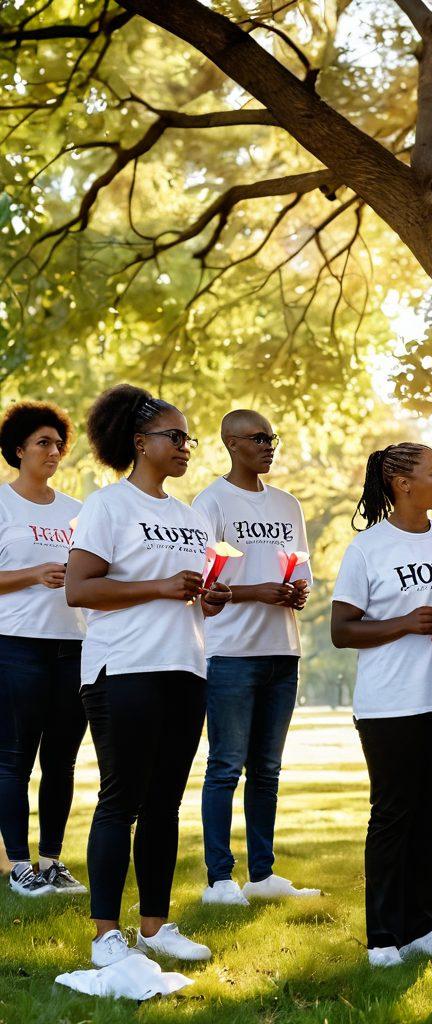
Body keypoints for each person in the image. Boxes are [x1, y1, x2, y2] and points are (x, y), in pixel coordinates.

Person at [65, 384, 231, 968]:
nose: (186, 446)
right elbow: (79, 589)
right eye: (175, 436)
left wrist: (207, 598)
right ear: (141, 442)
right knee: (121, 800)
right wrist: (161, 587)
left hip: (185, 667)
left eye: (188, 438)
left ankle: (155, 928)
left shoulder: (189, 517)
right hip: (123, 669)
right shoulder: (107, 506)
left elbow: (185, 594)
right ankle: (106, 933)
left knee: (164, 804)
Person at [331, 443, 432, 968]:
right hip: (389, 702)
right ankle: (382, 938)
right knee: (393, 814)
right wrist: (404, 622)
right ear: (402, 483)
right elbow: (342, 630)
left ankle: (422, 929)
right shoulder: (368, 549)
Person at [194, 410, 319, 906]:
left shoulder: (288, 505)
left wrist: (294, 592)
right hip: (230, 653)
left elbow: (298, 569)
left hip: (282, 651)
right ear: (231, 443)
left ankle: (262, 875)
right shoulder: (211, 501)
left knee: (267, 769)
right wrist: (257, 592)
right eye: (259, 438)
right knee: (225, 766)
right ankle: (220, 879)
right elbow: (203, 585)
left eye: (273, 437)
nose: (270, 445)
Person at [0, 401, 87, 897]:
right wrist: (34, 574)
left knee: (62, 761)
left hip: (73, 646)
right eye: (42, 443)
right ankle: (18, 865)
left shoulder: (78, 511)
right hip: (15, 647)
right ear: (18, 450)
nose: (54, 451)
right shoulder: (3, 505)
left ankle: (52, 861)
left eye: (58, 443)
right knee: (14, 759)